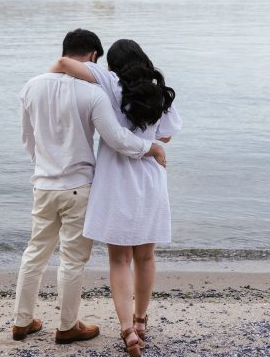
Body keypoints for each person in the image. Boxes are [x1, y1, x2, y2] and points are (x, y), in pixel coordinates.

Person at [12, 29, 167, 346]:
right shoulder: (92, 94)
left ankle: (21, 322)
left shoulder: (31, 86)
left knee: (34, 254)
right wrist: (151, 148)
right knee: (72, 261)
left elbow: (28, 140)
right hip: (79, 186)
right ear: (94, 57)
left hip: (42, 184)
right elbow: (118, 139)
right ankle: (68, 326)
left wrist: (43, 167)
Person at [50, 38, 180, 357]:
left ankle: (126, 331)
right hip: (150, 178)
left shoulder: (110, 82)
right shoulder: (159, 93)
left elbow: (66, 64)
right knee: (146, 257)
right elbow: (166, 134)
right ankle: (141, 323)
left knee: (119, 259)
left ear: (113, 66)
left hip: (115, 182)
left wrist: (52, 71)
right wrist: (144, 134)